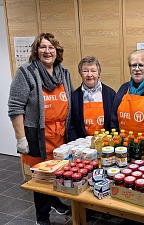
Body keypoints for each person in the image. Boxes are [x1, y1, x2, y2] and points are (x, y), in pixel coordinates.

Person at [8, 32, 73, 225]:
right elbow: (15, 107)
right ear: (36, 50)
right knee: (41, 176)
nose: (47, 51)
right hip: (37, 136)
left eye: (51, 47)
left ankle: (54, 200)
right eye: (43, 47)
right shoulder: (26, 72)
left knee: (58, 172)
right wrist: (21, 139)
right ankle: (42, 217)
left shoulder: (64, 73)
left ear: (57, 51)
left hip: (61, 135)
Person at [68, 56, 116, 141]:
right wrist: (77, 143)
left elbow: (114, 121)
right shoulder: (74, 97)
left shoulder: (110, 94)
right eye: (85, 71)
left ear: (99, 73)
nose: (89, 75)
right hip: (83, 146)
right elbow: (71, 125)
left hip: (106, 144)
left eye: (93, 71)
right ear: (80, 74)